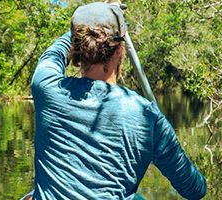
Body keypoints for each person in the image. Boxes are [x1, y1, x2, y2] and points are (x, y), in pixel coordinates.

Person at [27, 2, 206, 200]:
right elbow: (195, 190)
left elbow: (52, 55)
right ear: (121, 50)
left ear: (74, 51)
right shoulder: (147, 115)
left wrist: (84, 26)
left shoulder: (46, 87)